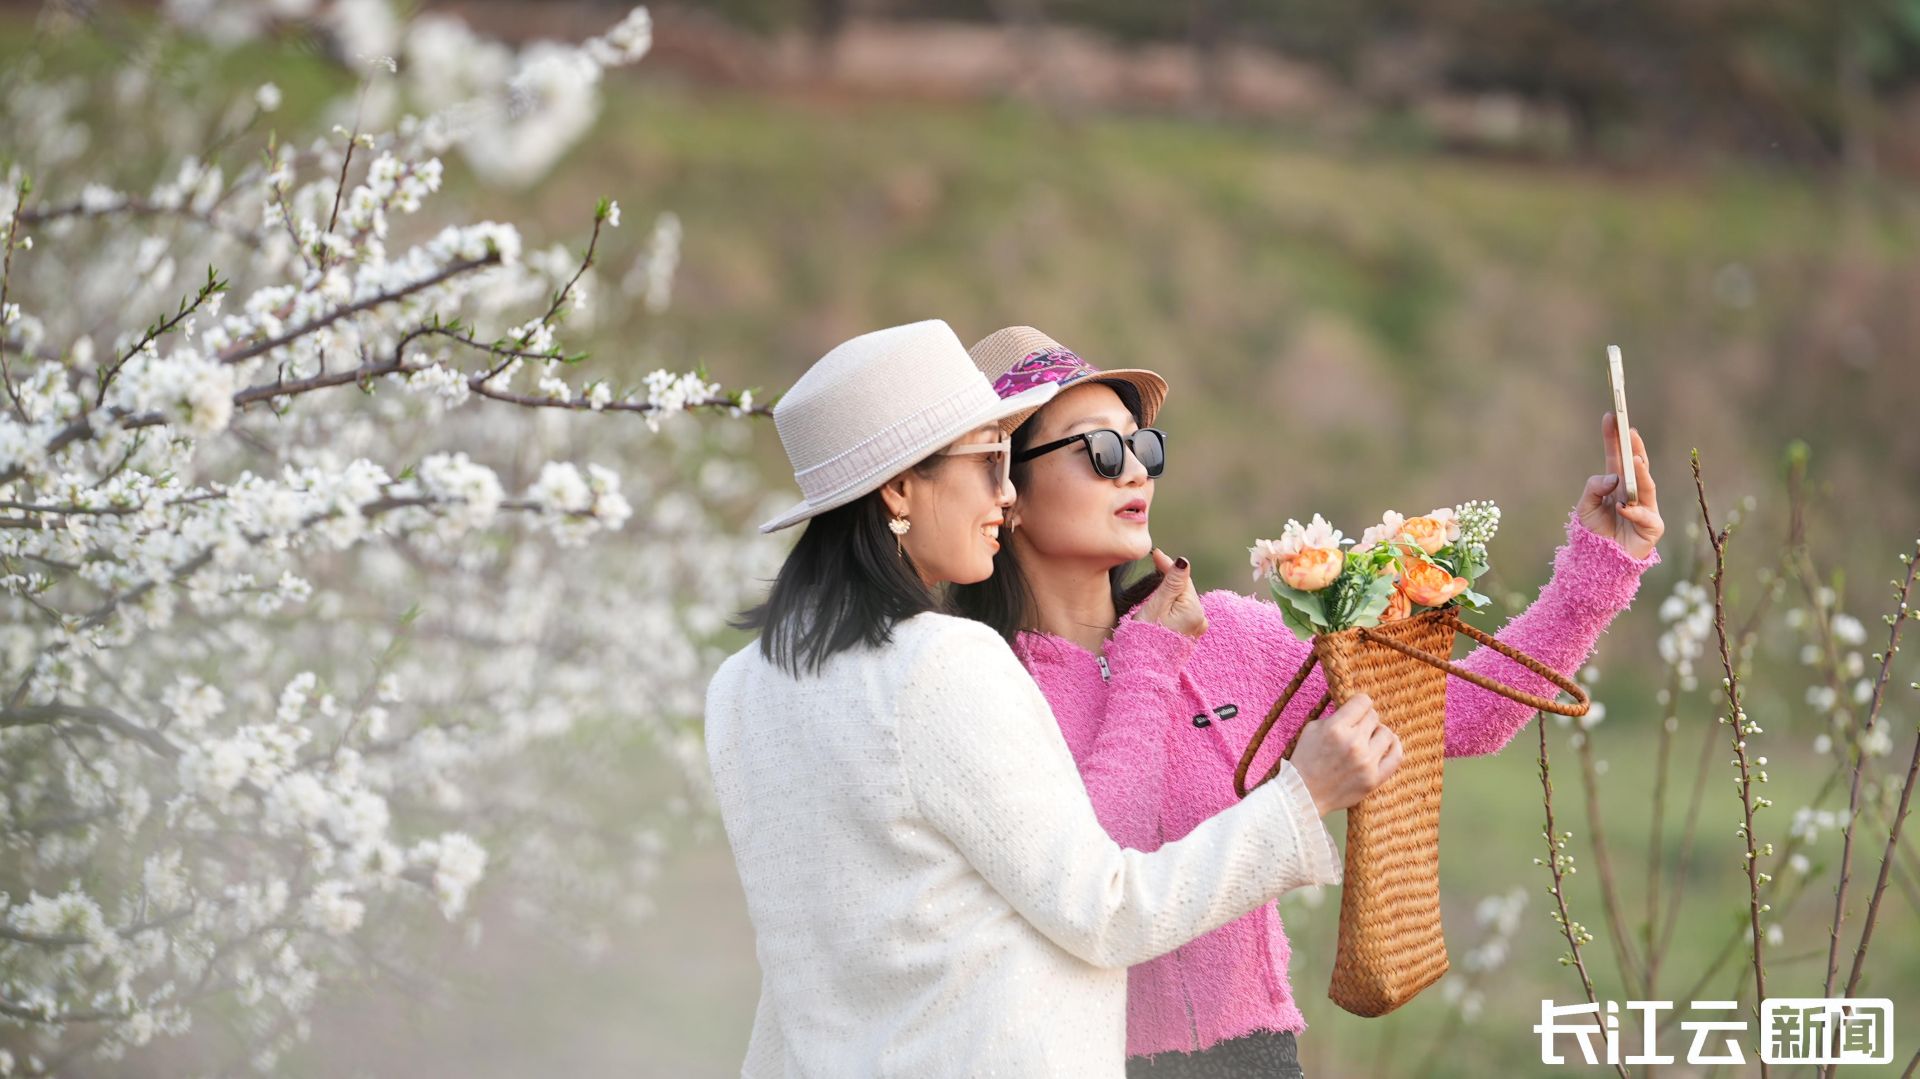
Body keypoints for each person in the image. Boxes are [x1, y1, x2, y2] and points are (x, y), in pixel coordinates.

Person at [951, 325, 1667, 1078]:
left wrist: (1600, 563)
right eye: (1099, 450)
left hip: (1257, 1057)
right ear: (1008, 494)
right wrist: (1148, 660)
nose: (1134, 471)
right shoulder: (982, 684)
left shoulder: (1227, 634)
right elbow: (1101, 886)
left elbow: (1459, 717)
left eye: (1144, 446)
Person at [703, 319, 1406, 1078]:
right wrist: (1300, 801)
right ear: (901, 487)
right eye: (986, 462)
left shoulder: (740, 688)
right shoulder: (948, 663)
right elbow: (1107, 908)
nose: (1003, 495)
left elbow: (812, 969)